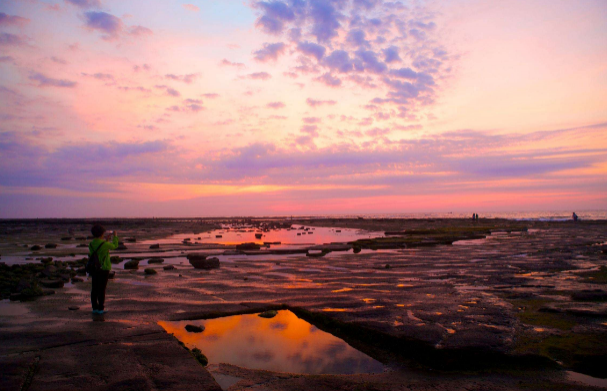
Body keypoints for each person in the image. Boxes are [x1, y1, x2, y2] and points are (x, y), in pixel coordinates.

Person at [89, 225, 119, 314]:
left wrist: (106, 239)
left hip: (94, 268)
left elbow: (100, 248)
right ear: (102, 233)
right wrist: (115, 236)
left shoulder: (91, 244)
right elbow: (114, 246)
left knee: (94, 288)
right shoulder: (104, 244)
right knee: (102, 289)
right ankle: (101, 308)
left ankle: (94, 308)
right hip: (104, 268)